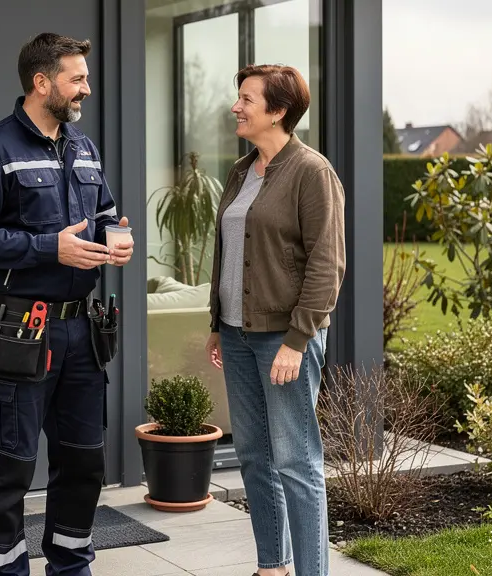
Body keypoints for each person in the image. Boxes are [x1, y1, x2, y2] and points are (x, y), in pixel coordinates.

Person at [0, 32, 133, 576]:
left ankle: (71, 567)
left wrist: (114, 238)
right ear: (41, 82)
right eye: (77, 79)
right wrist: (49, 247)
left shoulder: (83, 147)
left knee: (82, 462)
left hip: (83, 336)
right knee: (11, 464)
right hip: (20, 331)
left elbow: (104, 214)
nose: (87, 89)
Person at [205, 64, 346, 576]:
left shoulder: (312, 172)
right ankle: (272, 567)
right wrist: (218, 322)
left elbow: (327, 264)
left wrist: (297, 340)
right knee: (253, 459)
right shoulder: (242, 171)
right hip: (240, 336)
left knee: (296, 462)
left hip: (285, 340)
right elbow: (228, 251)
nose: (236, 107)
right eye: (238, 96)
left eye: (247, 98)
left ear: (278, 111)